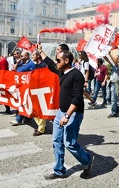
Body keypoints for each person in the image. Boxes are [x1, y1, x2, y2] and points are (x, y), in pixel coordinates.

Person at [40, 48, 94, 179]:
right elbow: (50, 64)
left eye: (58, 60)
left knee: (69, 143)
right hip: (61, 112)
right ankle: (59, 170)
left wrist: (67, 115)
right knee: (57, 140)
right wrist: (40, 51)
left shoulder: (77, 75)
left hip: (73, 113)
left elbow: (77, 97)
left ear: (66, 60)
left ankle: (87, 160)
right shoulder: (61, 72)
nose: (56, 62)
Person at [10, 50, 36, 125]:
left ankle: (18, 119)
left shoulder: (31, 64)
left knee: (23, 103)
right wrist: (17, 63)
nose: (20, 57)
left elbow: (33, 75)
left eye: (22, 56)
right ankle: (28, 118)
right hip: (20, 86)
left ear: (27, 56)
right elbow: (14, 70)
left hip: (27, 87)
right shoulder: (21, 63)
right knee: (24, 103)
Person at [31, 50, 48, 136]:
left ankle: (41, 129)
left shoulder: (43, 65)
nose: (32, 56)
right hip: (36, 88)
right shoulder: (36, 65)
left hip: (42, 89)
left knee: (40, 109)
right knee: (35, 108)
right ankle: (41, 125)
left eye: (33, 55)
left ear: (38, 56)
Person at [106, 53, 119, 118]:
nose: (113, 59)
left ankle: (113, 113)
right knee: (109, 98)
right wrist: (103, 53)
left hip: (116, 83)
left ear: (118, 59)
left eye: (115, 57)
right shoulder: (114, 65)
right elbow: (108, 60)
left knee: (113, 99)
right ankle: (117, 108)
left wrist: (110, 54)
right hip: (111, 83)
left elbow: (114, 62)